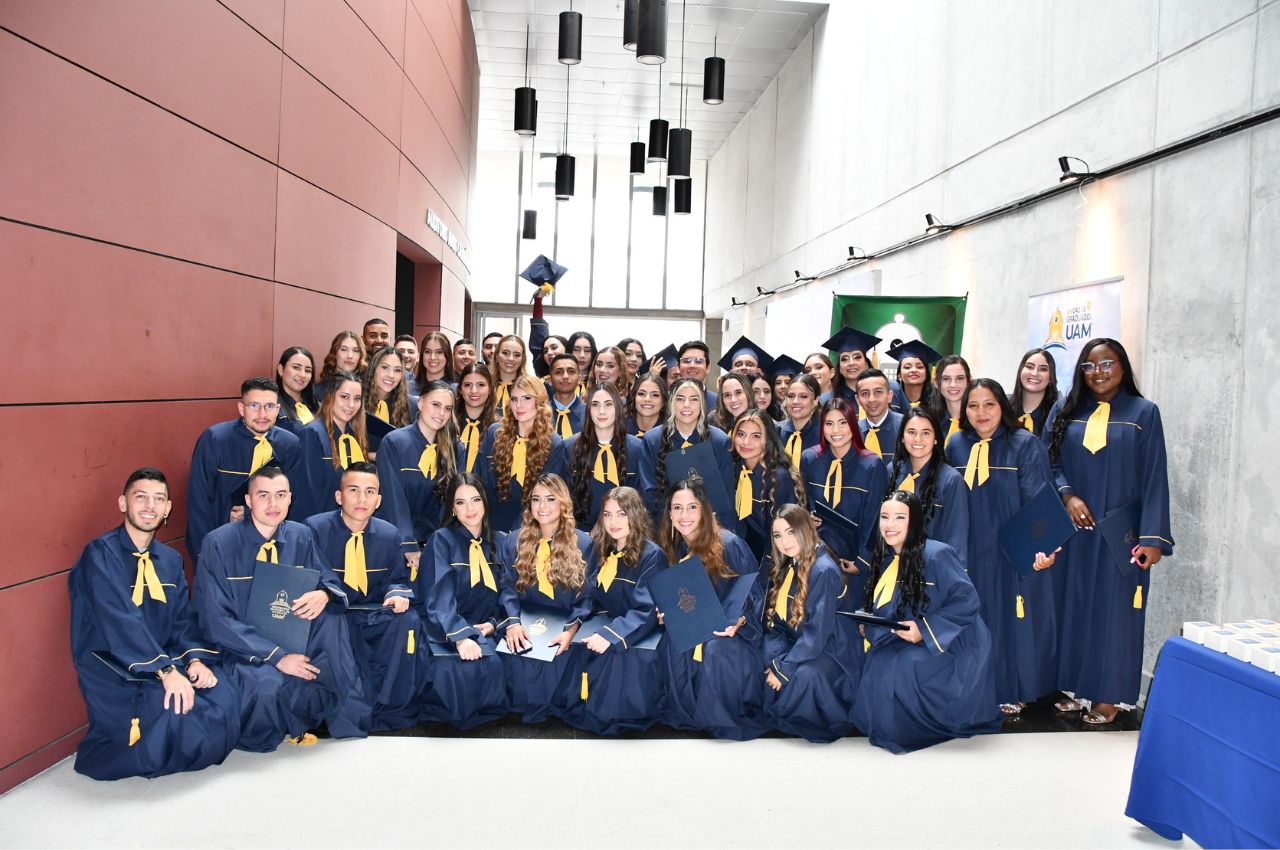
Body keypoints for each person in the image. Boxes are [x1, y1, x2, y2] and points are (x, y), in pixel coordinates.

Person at [69, 468, 241, 780]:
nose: (150, 505)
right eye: (141, 497)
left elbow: (181, 621)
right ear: (123, 503)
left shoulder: (170, 560)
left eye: (158, 499)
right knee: (174, 708)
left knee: (224, 693)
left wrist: (195, 660)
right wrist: (165, 671)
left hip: (164, 657)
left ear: (167, 510)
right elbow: (121, 621)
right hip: (113, 664)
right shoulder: (100, 554)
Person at [196, 466, 371, 752]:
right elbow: (216, 619)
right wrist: (276, 656)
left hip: (292, 632)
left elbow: (327, 578)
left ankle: (349, 718)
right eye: (263, 495)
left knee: (332, 622)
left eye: (280, 495)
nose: (273, 504)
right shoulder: (219, 543)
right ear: (248, 500)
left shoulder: (301, 535)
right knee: (266, 686)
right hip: (245, 646)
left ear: (291, 498)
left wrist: (323, 593)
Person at [1046, 338, 1173, 725]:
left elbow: (1155, 477)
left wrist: (1153, 539)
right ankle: (1070, 685)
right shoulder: (1066, 410)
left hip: (1123, 531)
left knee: (1117, 613)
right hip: (1075, 528)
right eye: (1089, 366)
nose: (1097, 373)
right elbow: (1046, 460)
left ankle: (1109, 694)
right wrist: (1066, 495)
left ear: (1122, 368)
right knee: (1074, 606)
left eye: (1106, 364)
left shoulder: (1144, 413)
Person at [852, 491, 1001, 753]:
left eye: (899, 517)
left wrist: (924, 630)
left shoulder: (937, 554)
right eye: (885, 517)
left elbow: (967, 601)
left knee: (902, 664)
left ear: (916, 521)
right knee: (880, 659)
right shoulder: (889, 559)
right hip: (913, 635)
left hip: (955, 641)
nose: (890, 525)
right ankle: (889, 726)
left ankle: (912, 728)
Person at [947, 379, 1057, 716]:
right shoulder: (956, 445)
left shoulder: (1025, 445)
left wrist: (1043, 548)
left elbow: (1041, 501)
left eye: (989, 405)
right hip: (968, 547)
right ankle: (973, 684)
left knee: (1013, 618)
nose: (980, 413)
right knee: (973, 614)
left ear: (1003, 406)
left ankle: (1014, 688)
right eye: (973, 406)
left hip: (1012, 548)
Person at [305, 462, 428, 731]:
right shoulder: (314, 529)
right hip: (335, 613)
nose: (362, 499)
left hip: (371, 612)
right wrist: (327, 593)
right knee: (327, 622)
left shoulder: (388, 534)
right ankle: (344, 705)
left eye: (370, 491)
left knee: (407, 620)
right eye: (354, 490)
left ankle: (387, 702)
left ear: (379, 500)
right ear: (339, 496)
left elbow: (395, 578)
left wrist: (397, 594)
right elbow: (314, 574)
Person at [657, 480, 765, 740]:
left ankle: (719, 715)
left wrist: (739, 621)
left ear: (705, 510)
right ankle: (689, 712)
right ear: (669, 514)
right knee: (671, 640)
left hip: (735, 635)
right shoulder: (674, 548)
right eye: (677, 508)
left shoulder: (730, 544)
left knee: (715, 647)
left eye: (692, 507)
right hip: (695, 627)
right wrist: (666, 611)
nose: (684, 516)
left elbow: (755, 594)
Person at [560, 486, 667, 735]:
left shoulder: (652, 556)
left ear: (635, 515)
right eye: (607, 515)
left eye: (621, 514)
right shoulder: (602, 550)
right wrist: (572, 625)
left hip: (639, 632)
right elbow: (588, 595)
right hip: (609, 622)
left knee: (616, 660)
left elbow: (646, 609)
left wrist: (609, 635)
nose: (613, 522)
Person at [495, 474, 594, 722]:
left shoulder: (583, 542)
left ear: (563, 503)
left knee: (565, 663)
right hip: (526, 624)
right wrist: (513, 623)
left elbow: (587, 596)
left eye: (551, 499)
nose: (542, 507)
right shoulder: (515, 540)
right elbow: (507, 587)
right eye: (536, 499)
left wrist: (570, 631)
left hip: (565, 625)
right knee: (518, 659)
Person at [759, 505, 858, 743]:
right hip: (803, 637)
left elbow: (817, 633)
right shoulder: (793, 561)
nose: (784, 541)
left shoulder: (824, 570)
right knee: (764, 651)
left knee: (803, 676)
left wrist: (784, 668)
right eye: (778, 535)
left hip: (832, 648)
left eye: (791, 532)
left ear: (805, 529)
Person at [419, 474, 510, 728]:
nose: (470, 509)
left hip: (486, 627)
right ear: (451, 508)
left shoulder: (500, 541)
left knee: (499, 665)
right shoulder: (441, 540)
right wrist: (460, 637)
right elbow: (440, 596)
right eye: (460, 502)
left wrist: (494, 623)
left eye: (475, 500)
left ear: (485, 502)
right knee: (459, 671)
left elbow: (508, 592)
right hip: (445, 626)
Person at [186, 377, 302, 566]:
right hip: (224, 544)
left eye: (270, 406)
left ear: (278, 410)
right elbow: (199, 502)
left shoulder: (289, 444)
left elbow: (293, 499)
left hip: (271, 545)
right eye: (254, 405)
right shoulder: (215, 439)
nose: (262, 414)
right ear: (241, 408)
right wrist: (204, 554)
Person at [800, 398, 887, 597]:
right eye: (829, 424)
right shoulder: (810, 458)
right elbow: (802, 502)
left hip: (855, 561)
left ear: (853, 425)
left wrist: (863, 561)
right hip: (818, 556)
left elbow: (876, 517)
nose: (836, 430)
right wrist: (806, 518)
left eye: (843, 422)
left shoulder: (872, 464)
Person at [375, 380, 460, 580]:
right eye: (436, 405)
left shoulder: (455, 450)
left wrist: (440, 542)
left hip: (435, 544)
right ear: (420, 403)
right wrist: (408, 543)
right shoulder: (394, 442)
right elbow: (393, 498)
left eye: (447, 408)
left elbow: (451, 503)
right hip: (398, 542)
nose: (441, 413)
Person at [639, 377, 738, 533]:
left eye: (694, 399)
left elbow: (726, 498)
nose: (686, 405)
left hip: (709, 531)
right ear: (671, 403)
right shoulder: (652, 441)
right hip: (666, 529)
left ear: (702, 404)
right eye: (680, 399)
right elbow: (648, 492)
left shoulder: (719, 441)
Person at [475, 374, 569, 531]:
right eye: (514, 399)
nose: (519, 405)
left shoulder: (554, 443)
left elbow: (546, 495)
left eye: (526, 398)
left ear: (539, 402)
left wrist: (515, 533)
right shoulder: (494, 433)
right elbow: (480, 480)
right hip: (489, 525)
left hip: (530, 528)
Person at [886, 408, 969, 568]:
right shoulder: (892, 471)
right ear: (902, 437)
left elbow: (956, 539)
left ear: (936, 438)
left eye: (926, 433)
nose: (918, 439)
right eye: (911, 432)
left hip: (932, 572)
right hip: (893, 568)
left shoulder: (951, 480)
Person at [566, 384, 647, 529]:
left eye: (608, 404)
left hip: (623, 532)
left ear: (618, 408)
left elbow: (640, 500)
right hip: (579, 534)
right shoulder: (570, 447)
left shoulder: (637, 449)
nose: (601, 411)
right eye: (595, 405)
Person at [730, 409, 806, 561]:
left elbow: (787, 533)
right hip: (742, 553)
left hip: (773, 557)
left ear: (768, 439)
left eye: (756, 436)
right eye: (741, 434)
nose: (746, 442)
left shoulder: (779, 478)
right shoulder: (734, 467)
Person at [295, 370, 368, 520]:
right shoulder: (312, 434)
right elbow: (308, 494)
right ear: (329, 396)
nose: (351, 405)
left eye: (357, 399)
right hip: (320, 527)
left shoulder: (354, 437)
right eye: (344, 397)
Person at [362, 346, 416, 451]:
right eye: (385, 367)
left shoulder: (412, 406)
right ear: (374, 369)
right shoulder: (356, 401)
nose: (391, 375)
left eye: (397, 370)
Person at [823, 326, 881, 411]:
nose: (851, 363)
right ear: (839, 368)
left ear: (866, 363)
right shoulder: (827, 399)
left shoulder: (886, 392)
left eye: (857, 357)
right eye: (844, 359)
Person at [856, 368, 903, 464]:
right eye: (865, 393)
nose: (872, 399)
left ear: (890, 396)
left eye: (878, 392)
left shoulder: (906, 426)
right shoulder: (852, 431)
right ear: (858, 400)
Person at [455, 363, 495, 474]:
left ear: (490, 389)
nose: (474, 390)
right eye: (467, 385)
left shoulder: (498, 428)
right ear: (460, 389)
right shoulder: (448, 422)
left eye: (481, 385)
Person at [1010, 348, 1059, 435]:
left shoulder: (1058, 414)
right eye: (1029, 367)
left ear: (1051, 378)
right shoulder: (1003, 407)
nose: (1035, 373)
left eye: (1043, 369)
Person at [779, 374, 823, 468]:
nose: (795, 401)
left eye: (803, 396)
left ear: (816, 400)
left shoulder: (825, 433)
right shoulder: (777, 431)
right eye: (791, 396)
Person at [274, 346, 318, 435]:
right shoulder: (272, 407)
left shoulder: (319, 407)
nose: (303, 375)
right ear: (280, 369)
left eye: (308, 371)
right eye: (296, 368)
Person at [314, 331, 366, 406]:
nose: (350, 356)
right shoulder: (317, 389)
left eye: (356, 351)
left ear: (360, 356)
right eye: (344, 349)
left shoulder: (368, 389)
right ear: (335, 353)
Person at [888, 339, 942, 411]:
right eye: (907, 367)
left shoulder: (936, 401)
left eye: (919, 367)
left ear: (926, 373)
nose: (913, 370)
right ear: (899, 375)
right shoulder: (891, 399)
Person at [930, 354, 972, 446]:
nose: (953, 384)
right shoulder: (930, 423)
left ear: (969, 380)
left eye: (960, 378)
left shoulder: (979, 420)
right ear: (936, 383)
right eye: (946, 379)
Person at [547, 353, 586, 439]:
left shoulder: (590, 414)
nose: (565, 376)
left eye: (571, 371)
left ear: (579, 380)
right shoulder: (540, 414)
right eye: (558, 372)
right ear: (549, 380)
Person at [491, 334, 528, 418]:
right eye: (505, 353)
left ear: (523, 359)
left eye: (517, 355)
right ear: (496, 356)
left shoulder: (530, 388)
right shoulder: (485, 385)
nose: (511, 358)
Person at [676, 340, 718, 409]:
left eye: (698, 361)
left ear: (708, 368)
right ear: (678, 367)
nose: (692, 365)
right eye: (686, 361)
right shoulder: (666, 401)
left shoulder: (718, 402)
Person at [625, 372, 667, 437]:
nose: (647, 399)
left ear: (663, 401)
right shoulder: (621, 426)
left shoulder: (671, 430)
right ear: (634, 397)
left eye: (655, 395)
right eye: (641, 394)